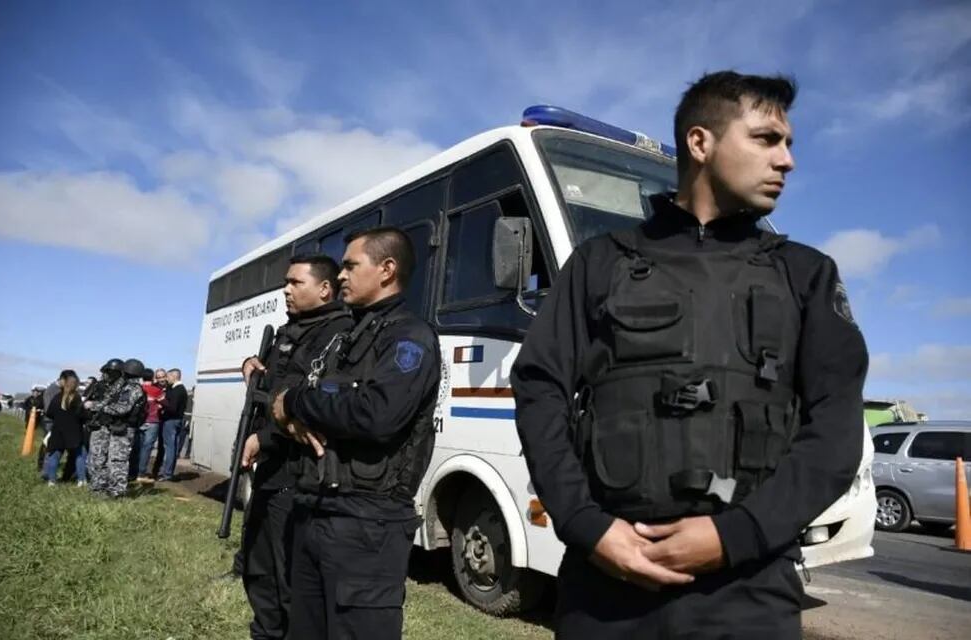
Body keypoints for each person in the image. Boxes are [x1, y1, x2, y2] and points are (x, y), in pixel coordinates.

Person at [511, 70, 869, 639]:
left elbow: (835, 429)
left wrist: (736, 534)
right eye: (766, 139)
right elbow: (539, 390)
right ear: (700, 142)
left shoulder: (805, 274)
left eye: (789, 144)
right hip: (606, 590)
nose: (787, 161)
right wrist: (588, 525)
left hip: (749, 592)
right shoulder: (600, 264)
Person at [272, 227, 440, 640]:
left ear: (387, 269)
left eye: (350, 265)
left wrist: (297, 403)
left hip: (367, 525)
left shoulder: (410, 336)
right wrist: (289, 407)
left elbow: (376, 414)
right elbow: (290, 387)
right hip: (314, 509)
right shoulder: (344, 338)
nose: (342, 275)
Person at [238, 253, 352, 640]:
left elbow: (314, 405)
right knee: (258, 570)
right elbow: (276, 391)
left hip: (300, 477)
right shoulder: (289, 332)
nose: (286, 289)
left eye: (295, 283)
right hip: (269, 473)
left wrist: (265, 437)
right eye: (285, 282)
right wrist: (254, 367)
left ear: (324, 289)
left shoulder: (339, 334)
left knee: (292, 583)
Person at [86, 358, 146, 498]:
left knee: (117, 461)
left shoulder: (132, 389)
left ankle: (117, 492)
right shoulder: (124, 386)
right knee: (111, 460)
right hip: (118, 427)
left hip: (124, 429)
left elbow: (121, 408)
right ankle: (106, 488)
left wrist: (95, 406)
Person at [43, 370, 88, 487]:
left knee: (55, 456)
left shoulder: (57, 397)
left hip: (58, 431)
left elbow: (49, 413)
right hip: (74, 432)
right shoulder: (77, 398)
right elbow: (83, 416)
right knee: (80, 455)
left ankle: (52, 480)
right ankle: (81, 480)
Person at [131, 368, 165, 481]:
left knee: (137, 447)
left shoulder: (137, 389)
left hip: (139, 422)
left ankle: (132, 471)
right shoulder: (156, 391)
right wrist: (159, 406)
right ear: (153, 378)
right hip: (152, 421)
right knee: (147, 448)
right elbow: (166, 404)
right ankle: (141, 473)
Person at [158, 368, 189, 481]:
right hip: (177, 420)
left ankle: (167, 473)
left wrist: (162, 403)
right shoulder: (181, 389)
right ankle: (168, 472)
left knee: (170, 448)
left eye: (168, 376)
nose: (167, 378)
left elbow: (172, 408)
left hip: (171, 420)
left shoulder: (178, 390)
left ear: (174, 376)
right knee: (173, 447)